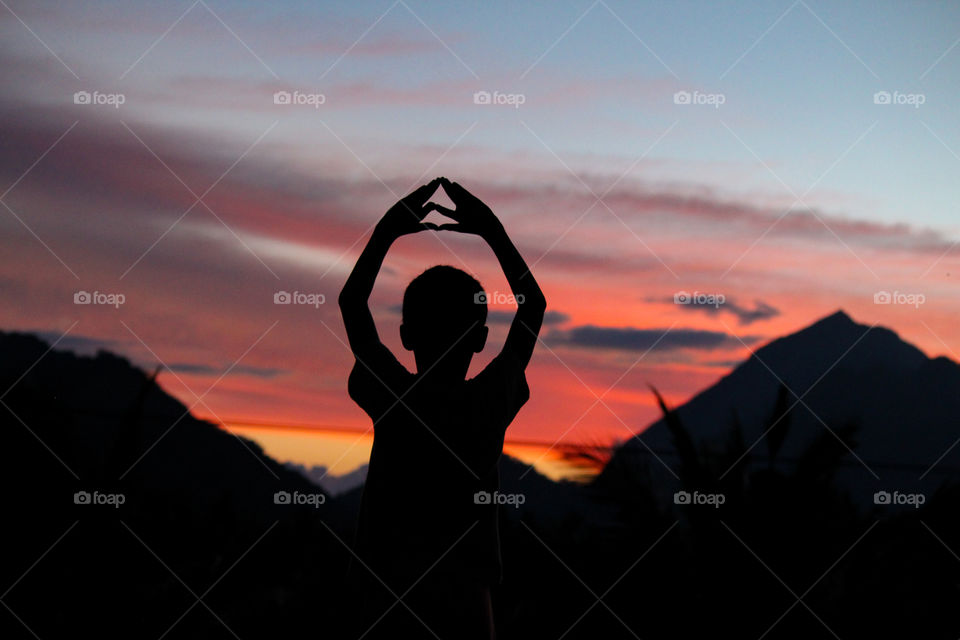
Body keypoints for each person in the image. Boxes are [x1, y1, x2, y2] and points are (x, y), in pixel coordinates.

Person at [339, 177, 546, 639]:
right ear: (479, 338)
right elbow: (532, 306)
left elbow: (352, 302)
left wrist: (388, 230)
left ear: (407, 335)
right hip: (466, 604)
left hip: (383, 600)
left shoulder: (393, 398)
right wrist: (490, 229)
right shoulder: (487, 403)